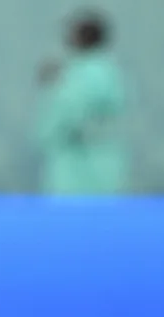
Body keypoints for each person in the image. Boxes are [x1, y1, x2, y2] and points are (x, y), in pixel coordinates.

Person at [35, 12, 129, 194]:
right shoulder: (111, 71)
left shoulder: (81, 75)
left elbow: (65, 116)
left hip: (77, 167)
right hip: (107, 164)